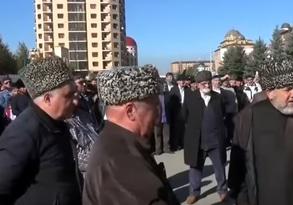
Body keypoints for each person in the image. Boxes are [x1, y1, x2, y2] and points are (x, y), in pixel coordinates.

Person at [228, 60, 293, 205]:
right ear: (270, 93)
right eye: (288, 89)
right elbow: (237, 165)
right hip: (262, 196)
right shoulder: (248, 117)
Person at [83, 65, 179, 205]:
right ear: (130, 111)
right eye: (155, 107)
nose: (158, 115)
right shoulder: (121, 161)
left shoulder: (117, 142)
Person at [0, 57, 81, 204]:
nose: (76, 101)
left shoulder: (57, 123)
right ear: (48, 99)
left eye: (75, 94)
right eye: (69, 95)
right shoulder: (23, 133)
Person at [183, 71, 228, 204]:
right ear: (197, 85)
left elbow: (223, 114)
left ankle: (223, 191)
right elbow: (184, 116)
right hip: (197, 141)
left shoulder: (218, 98)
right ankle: (194, 193)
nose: (207, 85)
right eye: (204, 83)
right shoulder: (190, 98)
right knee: (195, 168)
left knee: (220, 167)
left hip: (215, 140)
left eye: (208, 83)